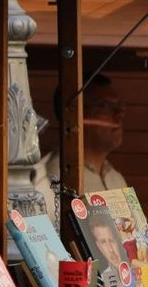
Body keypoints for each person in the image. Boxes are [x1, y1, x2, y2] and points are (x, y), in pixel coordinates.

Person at [33, 74, 129, 224]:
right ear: (74, 114)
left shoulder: (116, 179)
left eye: (120, 107)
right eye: (105, 106)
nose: (119, 116)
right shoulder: (54, 177)